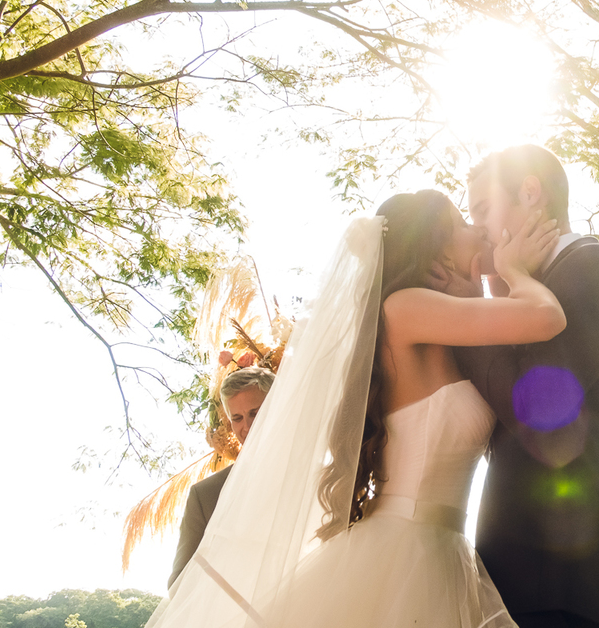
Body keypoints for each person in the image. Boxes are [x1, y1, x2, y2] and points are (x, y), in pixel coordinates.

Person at [145, 190, 565, 628]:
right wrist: (514, 270)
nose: (476, 229)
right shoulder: (405, 308)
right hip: (405, 553)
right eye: (461, 224)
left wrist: (483, 280)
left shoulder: (440, 324)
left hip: (442, 550)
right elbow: (546, 317)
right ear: (433, 247)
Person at [456, 145, 599, 628]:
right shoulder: (538, 290)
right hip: (523, 585)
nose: (477, 230)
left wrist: (469, 321)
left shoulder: (593, 269)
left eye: (482, 210)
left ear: (531, 192)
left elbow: (538, 413)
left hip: (565, 588)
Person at [168, 367, 275, 588]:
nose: (247, 426)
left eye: (256, 413)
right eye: (237, 418)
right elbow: (180, 584)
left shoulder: (324, 474)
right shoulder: (206, 495)